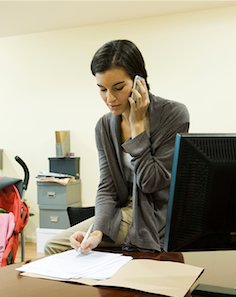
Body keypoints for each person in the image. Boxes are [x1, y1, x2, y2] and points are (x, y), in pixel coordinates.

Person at [45, 39, 189, 255]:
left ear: (140, 81)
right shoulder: (104, 126)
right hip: (122, 212)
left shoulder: (173, 114)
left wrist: (137, 125)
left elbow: (151, 182)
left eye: (118, 88)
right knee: (54, 246)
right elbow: (107, 186)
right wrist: (98, 230)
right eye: (102, 89)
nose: (110, 99)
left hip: (155, 213)